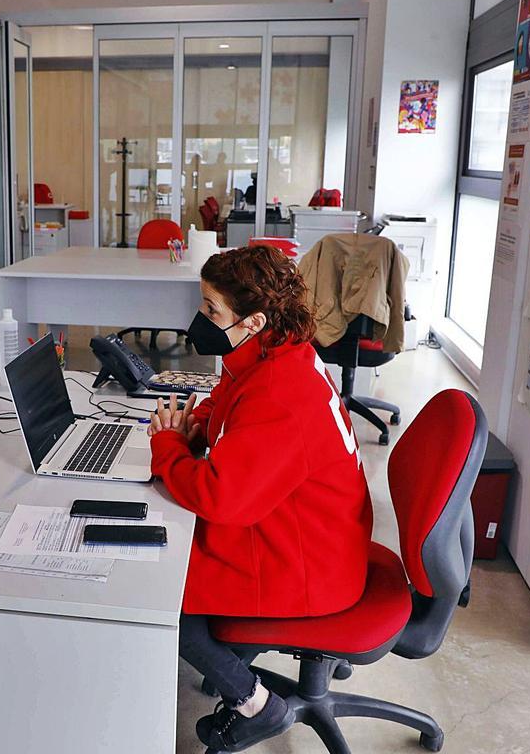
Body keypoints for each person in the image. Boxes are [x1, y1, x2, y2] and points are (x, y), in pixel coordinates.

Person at [147, 245, 372, 752]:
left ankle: (255, 704)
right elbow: (229, 402)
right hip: (315, 532)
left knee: (163, 592)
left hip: (308, 563)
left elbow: (218, 496)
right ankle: (233, 666)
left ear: (252, 321)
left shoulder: (279, 393)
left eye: (211, 310)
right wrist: (196, 424)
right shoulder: (275, 351)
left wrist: (168, 448)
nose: (200, 319)